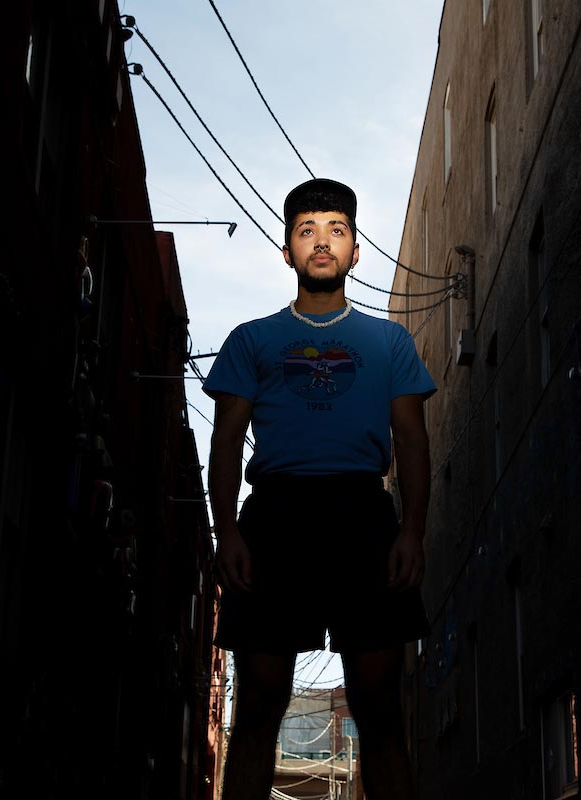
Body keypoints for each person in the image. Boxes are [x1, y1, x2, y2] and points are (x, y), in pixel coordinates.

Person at [204, 178, 436, 799]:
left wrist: (412, 530)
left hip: (364, 516)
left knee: (381, 711)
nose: (322, 242)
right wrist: (226, 532)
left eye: (336, 229)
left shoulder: (390, 342)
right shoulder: (251, 340)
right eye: (307, 230)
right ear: (287, 251)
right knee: (255, 710)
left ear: (356, 250)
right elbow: (224, 444)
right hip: (277, 519)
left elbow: (413, 442)